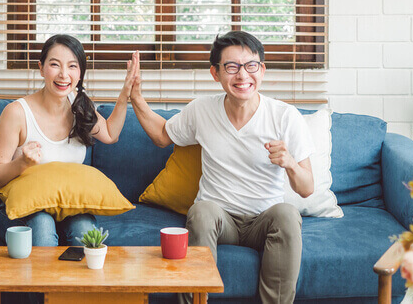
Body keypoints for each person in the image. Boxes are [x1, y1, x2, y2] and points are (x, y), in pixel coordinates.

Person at [129, 31, 314, 303]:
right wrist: (136, 98)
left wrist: (289, 164)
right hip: (219, 218)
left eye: (251, 66)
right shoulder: (202, 110)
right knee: (201, 210)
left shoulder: (285, 117)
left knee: (287, 214)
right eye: (231, 67)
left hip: (263, 220)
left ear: (261, 70)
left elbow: (307, 188)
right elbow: (162, 136)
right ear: (215, 73)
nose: (242, 76)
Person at [0, 34, 138, 248]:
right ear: (41, 68)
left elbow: (111, 134)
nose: (64, 75)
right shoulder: (16, 113)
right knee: (42, 227)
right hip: (24, 209)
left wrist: (125, 94)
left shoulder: (80, 107)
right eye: (55, 65)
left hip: (70, 207)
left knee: (85, 234)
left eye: (72, 66)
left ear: (80, 73)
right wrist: (22, 163)